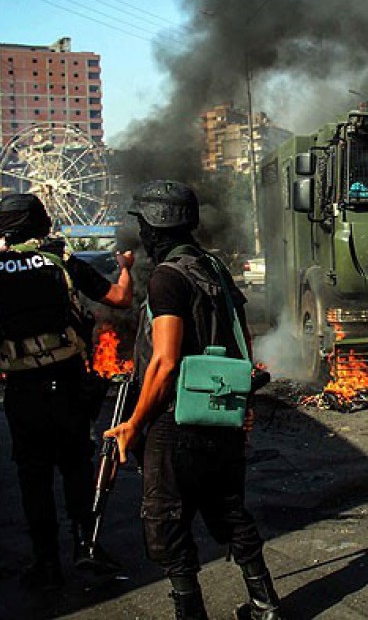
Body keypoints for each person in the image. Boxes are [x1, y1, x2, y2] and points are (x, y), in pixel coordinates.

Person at [105, 180, 283, 620]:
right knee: (229, 509)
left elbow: (165, 362)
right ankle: (265, 605)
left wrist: (135, 421)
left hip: (176, 419)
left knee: (166, 517)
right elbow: (241, 338)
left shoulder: (168, 277)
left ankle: (190, 612)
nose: (142, 234)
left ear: (156, 227)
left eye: (143, 224)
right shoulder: (214, 268)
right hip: (219, 411)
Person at [0, 193, 134, 590]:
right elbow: (121, 299)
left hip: (23, 391)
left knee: (32, 477)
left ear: (2, 229)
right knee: (76, 467)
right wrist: (126, 269)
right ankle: (86, 546)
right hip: (68, 386)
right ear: (39, 225)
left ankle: (45, 562)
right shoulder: (61, 263)